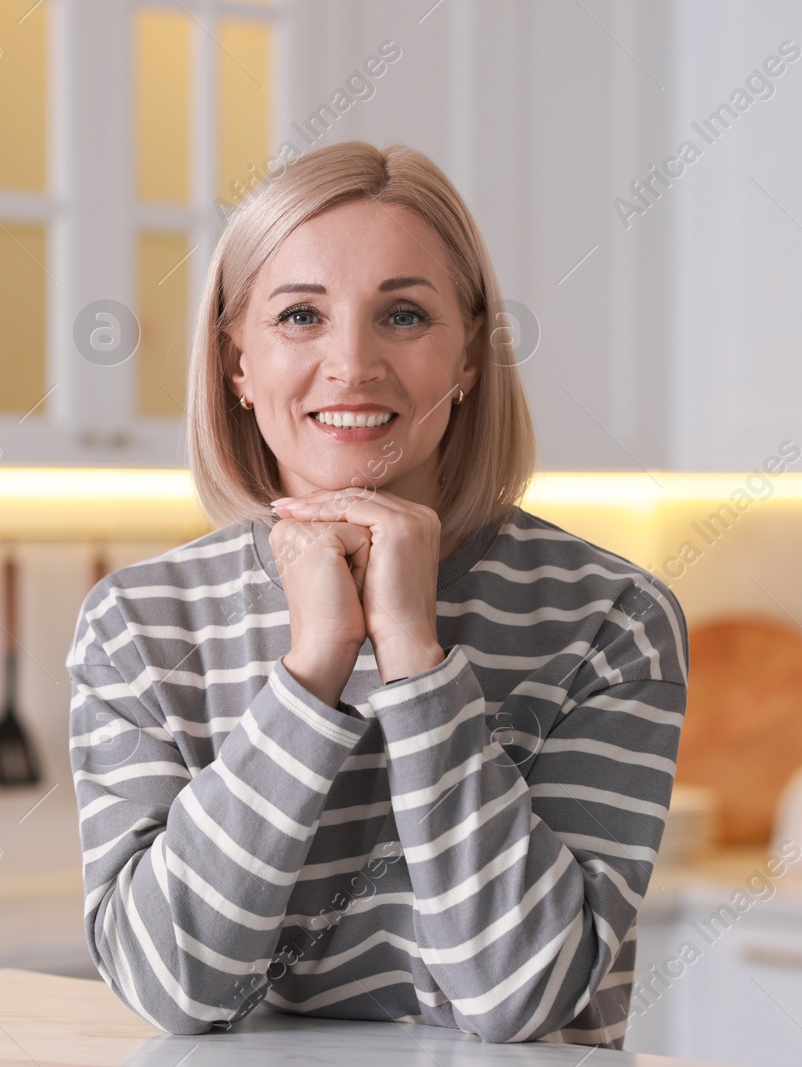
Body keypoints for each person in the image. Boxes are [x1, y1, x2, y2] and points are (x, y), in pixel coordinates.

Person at [67, 141, 687, 1048]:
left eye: (402, 314)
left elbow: (522, 994)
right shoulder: (138, 625)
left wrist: (412, 648)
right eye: (300, 316)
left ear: (468, 355)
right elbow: (175, 984)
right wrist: (311, 669)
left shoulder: (611, 619)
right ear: (237, 360)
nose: (352, 363)